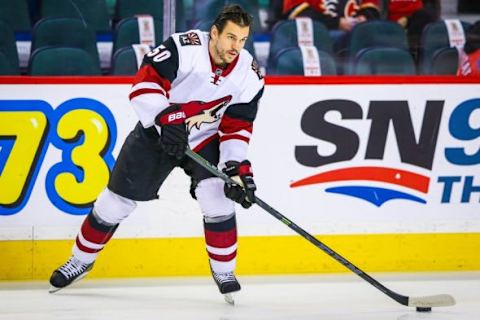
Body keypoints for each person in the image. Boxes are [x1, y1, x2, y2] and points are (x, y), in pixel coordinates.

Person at [49, 4, 264, 303]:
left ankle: (224, 271)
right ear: (214, 32)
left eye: (242, 40)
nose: (235, 47)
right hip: (157, 132)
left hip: (204, 138)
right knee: (115, 202)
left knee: (217, 194)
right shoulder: (183, 47)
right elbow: (143, 86)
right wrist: (166, 118)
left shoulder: (249, 75)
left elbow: (236, 127)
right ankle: (81, 260)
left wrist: (235, 167)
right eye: (230, 38)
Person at [282, 0, 381, 32]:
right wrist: (337, 23)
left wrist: (364, 17)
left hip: (356, 34)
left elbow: (371, 7)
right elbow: (298, 13)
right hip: (319, 35)